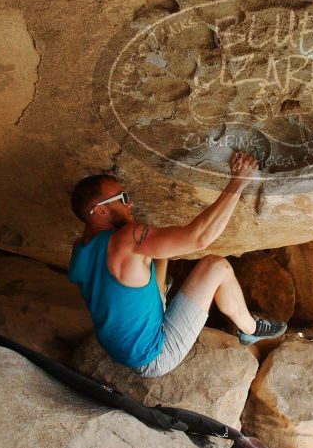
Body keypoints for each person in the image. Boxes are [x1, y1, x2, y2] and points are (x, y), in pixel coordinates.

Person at [66, 150, 287, 378]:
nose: (130, 203)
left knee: (159, 257)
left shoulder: (80, 249)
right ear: (101, 210)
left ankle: (162, 293)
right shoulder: (128, 238)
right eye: (122, 198)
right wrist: (239, 181)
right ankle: (250, 329)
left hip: (120, 348)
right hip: (154, 355)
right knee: (216, 266)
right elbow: (199, 238)